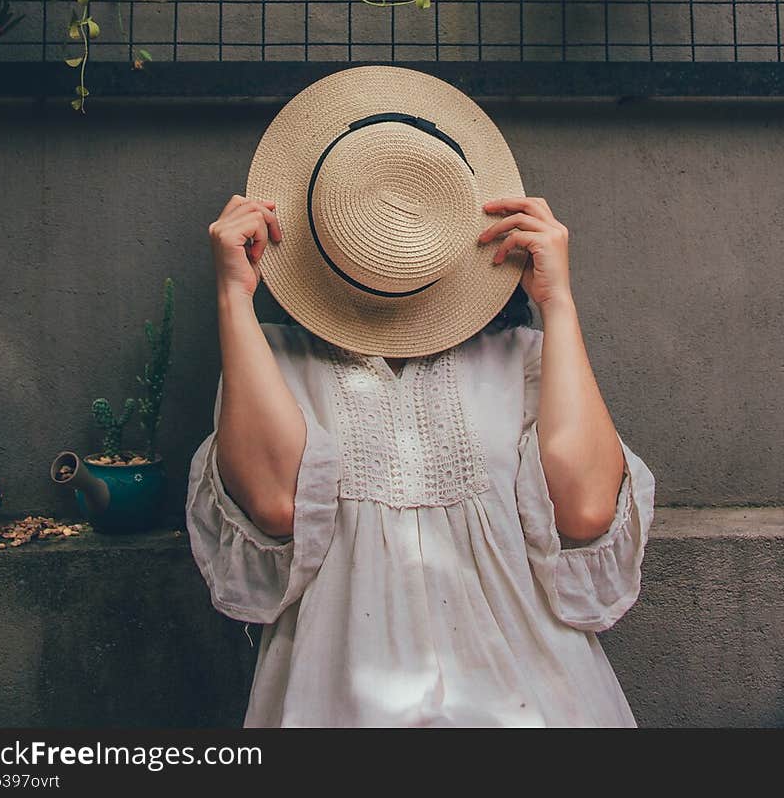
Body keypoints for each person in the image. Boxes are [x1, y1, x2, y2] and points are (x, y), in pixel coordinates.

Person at [186, 65, 655, 728]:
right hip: (343, 702)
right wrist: (234, 298)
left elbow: (582, 511)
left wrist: (559, 304)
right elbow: (274, 504)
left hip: (535, 699)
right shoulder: (276, 363)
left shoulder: (522, 361)